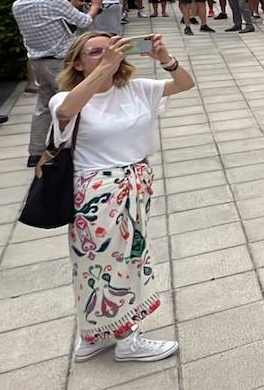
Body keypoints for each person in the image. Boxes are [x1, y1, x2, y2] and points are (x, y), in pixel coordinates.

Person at [50, 30, 194, 363]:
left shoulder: (136, 89)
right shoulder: (66, 98)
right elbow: (65, 112)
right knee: (99, 267)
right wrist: (103, 69)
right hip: (97, 194)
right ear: (77, 62)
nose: (105, 55)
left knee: (127, 261)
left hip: (135, 186)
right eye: (95, 52)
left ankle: (97, 333)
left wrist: (166, 59)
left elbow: (185, 84)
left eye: (111, 48)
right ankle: (125, 338)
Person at [11, 0, 103, 166]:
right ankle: (70, 148)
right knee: (73, 103)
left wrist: (70, 5)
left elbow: (54, 24)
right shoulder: (54, 2)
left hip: (37, 62)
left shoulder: (18, 5)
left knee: (43, 106)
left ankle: (35, 151)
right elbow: (84, 22)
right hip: (61, 62)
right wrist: (94, 5)